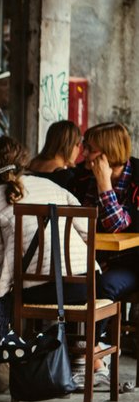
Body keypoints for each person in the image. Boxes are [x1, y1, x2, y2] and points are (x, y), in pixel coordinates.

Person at [0, 136, 108, 389]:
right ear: (24, 161)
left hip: (40, 289)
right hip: (86, 283)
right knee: (1, 288)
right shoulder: (53, 188)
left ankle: (9, 358)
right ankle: (82, 356)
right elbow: (87, 231)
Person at [71, 121, 139, 302]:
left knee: (103, 286)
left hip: (131, 263)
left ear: (109, 153)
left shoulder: (137, 178)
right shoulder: (81, 177)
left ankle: (96, 331)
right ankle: (65, 330)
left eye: (90, 149)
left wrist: (104, 184)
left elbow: (116, 225)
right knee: (69, 283)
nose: (83, 153)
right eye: (84, 146)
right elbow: (76, 223)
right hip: (89, 260)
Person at [28, 120, 82, 189]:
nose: (79, 150)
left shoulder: (30, 164)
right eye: (77, 145)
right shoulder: (65, 178)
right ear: (67, 146)